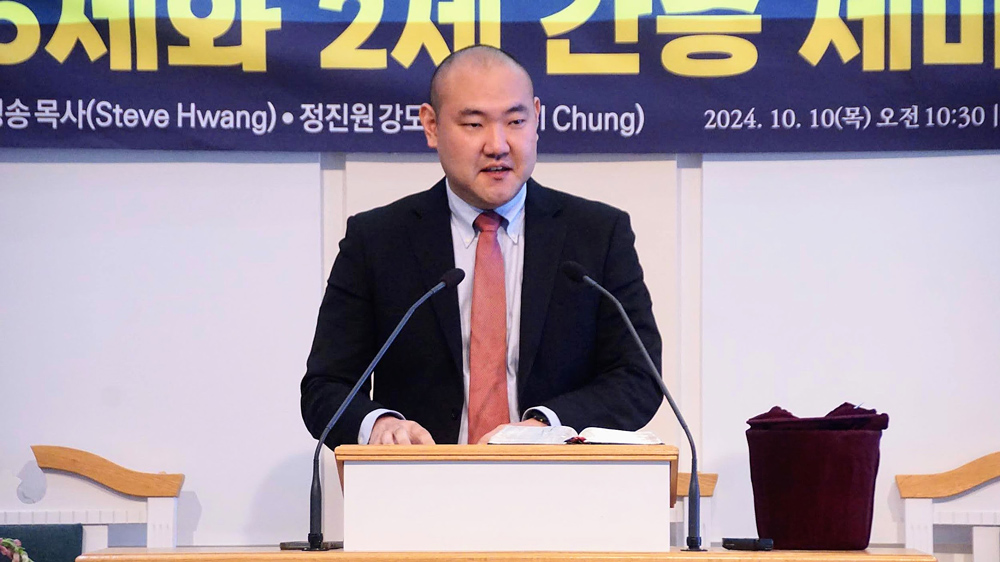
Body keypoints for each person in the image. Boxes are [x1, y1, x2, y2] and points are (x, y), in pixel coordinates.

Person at [300, 45, 662, 448]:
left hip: (558, 477)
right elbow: (326, 386)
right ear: (431, 126)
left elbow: (639, 376)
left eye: (515, 121)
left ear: (536, 119)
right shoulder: (377, 240)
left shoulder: (597, 235)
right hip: (420, 477)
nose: (498, 145)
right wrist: (380, 425)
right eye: (474, 124)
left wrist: (548, 426)